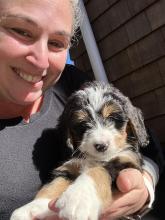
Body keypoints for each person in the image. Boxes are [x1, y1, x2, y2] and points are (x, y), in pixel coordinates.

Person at [0, 0, 164, 220]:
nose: (40, 62)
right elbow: (69, 172)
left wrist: (145, 185)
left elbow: (148, 149)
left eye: (57, 43)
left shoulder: (73, 83)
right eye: (21, 31)